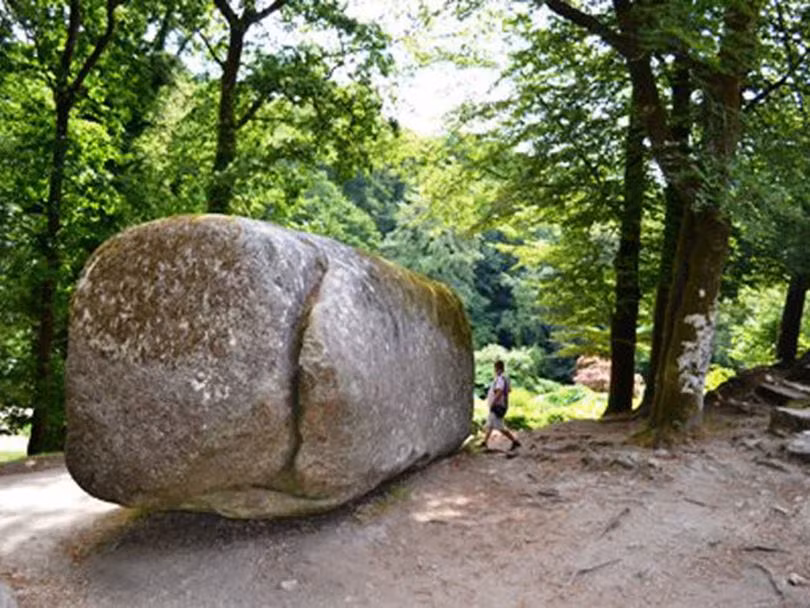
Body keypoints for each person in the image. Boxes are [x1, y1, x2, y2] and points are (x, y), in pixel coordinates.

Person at [480, 360, 521, 451]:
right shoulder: (505, 378)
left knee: (500, 427)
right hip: (500, 405)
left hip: (497, 406)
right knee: (490, 425)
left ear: (496, 368)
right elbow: (508, 390)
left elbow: (499, 391)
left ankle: (515, 441)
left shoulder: (500, 379)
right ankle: (484, 442)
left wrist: (493, 402)